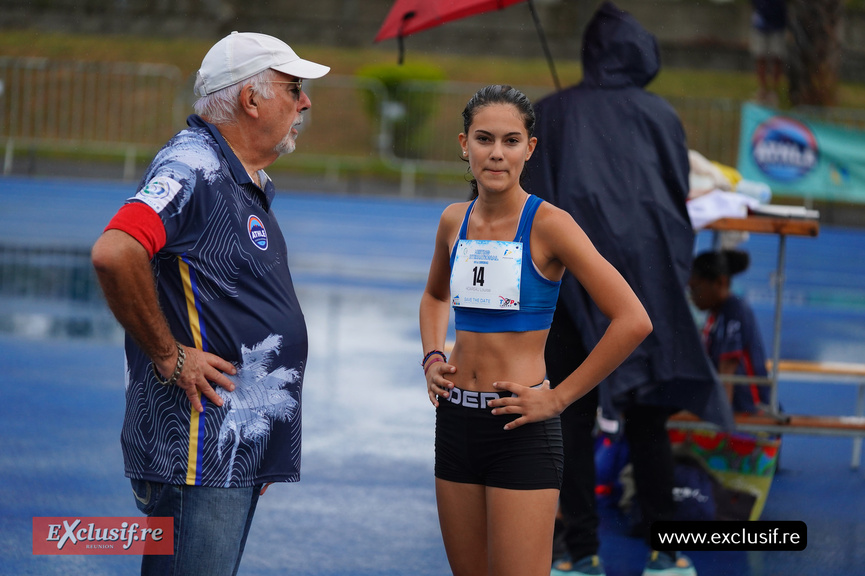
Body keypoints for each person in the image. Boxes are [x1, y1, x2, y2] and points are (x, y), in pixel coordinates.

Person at [90, 31, 329, 576]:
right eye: (294, 88)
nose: (305, 102)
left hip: (231, 446)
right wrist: (170, 356)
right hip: (200, 450)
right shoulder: (192, 167)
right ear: (252, 99)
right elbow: (115, 250)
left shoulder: (235, 174)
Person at [522, 3, 733, 576]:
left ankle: (577, 550)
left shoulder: (552, 113)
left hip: (567, 289)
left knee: (569, 416)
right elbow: (674, 206)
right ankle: (666, 552)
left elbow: (529, 205)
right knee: (647, 419)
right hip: (644, 290)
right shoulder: (661, 115)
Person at [419, 84, 652, 576]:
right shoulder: (452, 222)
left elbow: (633, 319)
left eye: (510, 140)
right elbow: (437, 296)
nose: (497, 153)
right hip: (456, 424)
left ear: (530, 147)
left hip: (521, 430)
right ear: (464, 145)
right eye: (484, 139)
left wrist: (559, 398)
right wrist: (432, 357)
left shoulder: (551, 225)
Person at [689, 250, 771, 414]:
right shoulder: (714, 316)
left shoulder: (734, 310)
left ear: (720, 283)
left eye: (695, 288)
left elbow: (727, 371)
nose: (692, 296)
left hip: (750, 412)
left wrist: (720, 420)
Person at [750, 0, 787, 105]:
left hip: (778, 23)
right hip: (760, 22)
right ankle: (762, 90)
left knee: (777, 57)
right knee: (760, 56)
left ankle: (774, 91)